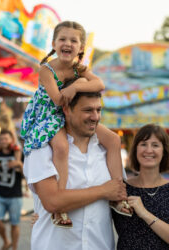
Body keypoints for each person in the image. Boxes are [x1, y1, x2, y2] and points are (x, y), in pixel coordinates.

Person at [20, 20, 126, 227]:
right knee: (61, 147)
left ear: (80, 48)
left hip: (70, 114)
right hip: (49, 115)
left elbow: (100, 84)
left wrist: (77, 85)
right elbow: (59, 100)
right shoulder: (46, 70)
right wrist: (78, 86)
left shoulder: (79, 69)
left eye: (73, 40)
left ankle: (117, 194)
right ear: (53, 43)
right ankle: (61, 204)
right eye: (62, 39)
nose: (67, 43)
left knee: (113, 139)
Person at [23, 79, 127, 249]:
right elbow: (52, 202)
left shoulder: (107, 149)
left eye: (98, 110)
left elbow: (121, 193)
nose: (95, 117)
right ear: (66, 109)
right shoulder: (42, 148)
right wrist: (103, 191)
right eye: (87, 110)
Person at [112, 124, 169, 249]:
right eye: (143, 144)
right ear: (136, 150)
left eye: (155, 145)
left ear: (164, 152)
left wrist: (144, 213)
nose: (148, 150)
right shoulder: (121, 189)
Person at [0, 129, 24, 250]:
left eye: (6, 139)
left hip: (15, 195)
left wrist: (19, 164)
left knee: (15, 224)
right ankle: (6, 241)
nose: (3, 141)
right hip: (0, 194)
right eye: (1, 139)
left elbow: (27, 175)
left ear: (11, 140)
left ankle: (14, 247)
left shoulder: (19, 153)